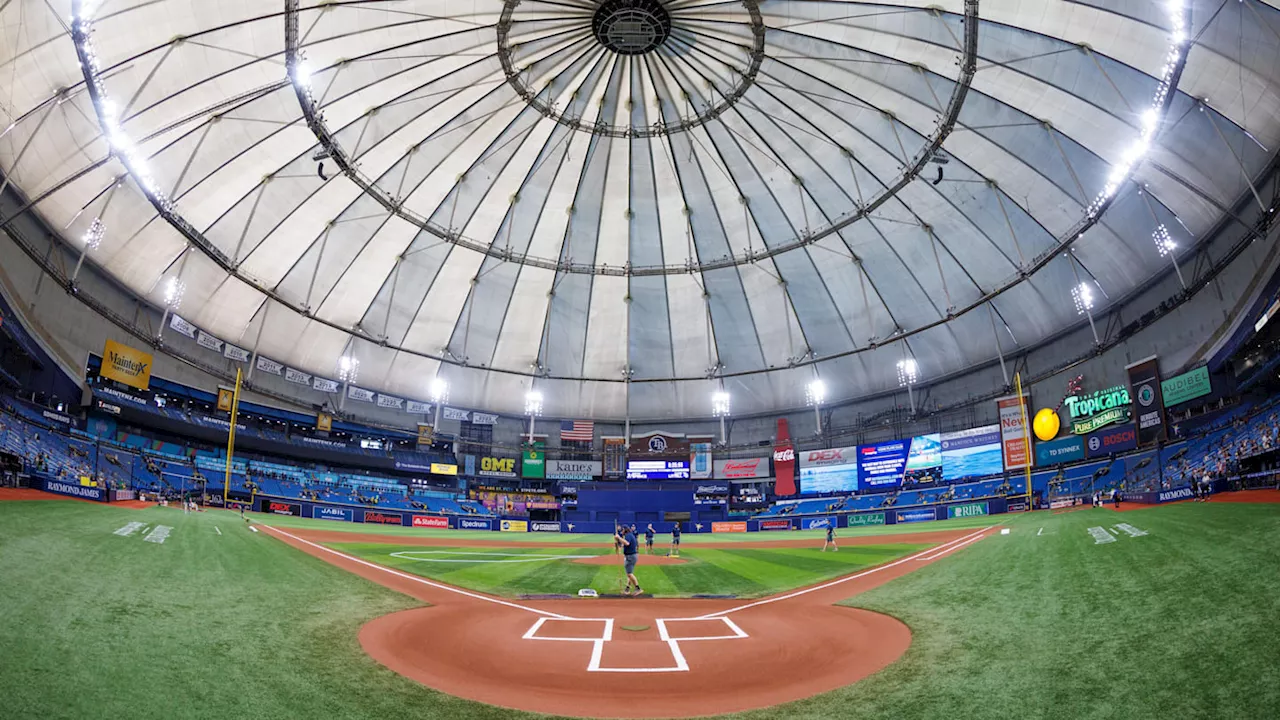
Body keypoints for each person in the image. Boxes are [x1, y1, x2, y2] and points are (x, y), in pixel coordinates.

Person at [614, 524, 642, 597]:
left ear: (625, 530)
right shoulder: (629, 535)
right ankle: (627, 589)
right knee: (629, 573)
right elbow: (623, 545)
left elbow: (627, 543)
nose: (622, 531)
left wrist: (619, 538)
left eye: (622, 530)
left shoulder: (628, 535)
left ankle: (638, 588)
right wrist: (618, 541)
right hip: (632, 556)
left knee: (629, 574)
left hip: (630, 556)